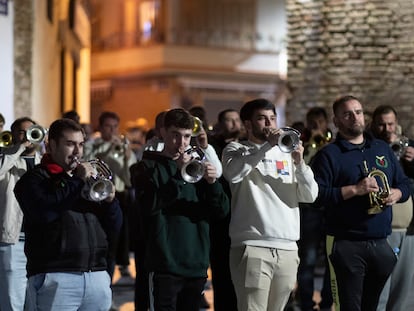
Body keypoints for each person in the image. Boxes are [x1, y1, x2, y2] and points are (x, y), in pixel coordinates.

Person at [311, 95, 412, 311]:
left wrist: (396, 193)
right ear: (336, 121)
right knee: (348, 307)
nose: (354, 117)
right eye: (347, 114)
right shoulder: (328, 155)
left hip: (380, 241)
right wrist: (355, 190)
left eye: (358, 112)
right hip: (346, 242)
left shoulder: (382, 149)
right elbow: (316, 197)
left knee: (372, 307)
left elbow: (404, 183)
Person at [13, 118, 122, 311]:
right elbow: (45, 212)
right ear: (51, 145)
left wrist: (111, 202)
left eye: (80, 144)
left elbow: (114, 227)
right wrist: (76, 181)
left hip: (96, 275)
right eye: (70, 144)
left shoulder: (87, 181)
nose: (78, 152)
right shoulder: (33, 180)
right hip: (55, 276)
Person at [221, 98, 319, 311]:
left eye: (272, 119)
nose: (269, 125)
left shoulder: (287, 152)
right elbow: (233, 174)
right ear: (247, 124)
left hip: (288, 248)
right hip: (252, 245)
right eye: (262, 119)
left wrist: (300, 163)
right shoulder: (235, 149)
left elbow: (310, 195)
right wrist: (267, 146)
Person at [130, 108, 229, 311]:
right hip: (163, 265)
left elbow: (221, 211)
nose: (182, 143)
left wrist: (212, 183)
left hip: (196, 264)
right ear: (163, 132)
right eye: (175, 135)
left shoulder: (197, 165)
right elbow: (149, 206)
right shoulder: (146, 167)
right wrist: (177, 173)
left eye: (186, 136)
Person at [369, 105, 414, 311]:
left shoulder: (408, 146)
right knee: (379, 289)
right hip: (381, 228)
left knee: (404, 290)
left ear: (397, 125)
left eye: (391, 124)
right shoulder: (369, 147)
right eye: (381, 124)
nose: (387, 129)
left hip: (409, 229)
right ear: (373, 125)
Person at [84, 111, 137, 282]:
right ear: (100, 127)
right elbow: (87, 165)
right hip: (97, 197)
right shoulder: (92, 145)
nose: (112, 130)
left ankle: (110, 281)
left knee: (116, 243)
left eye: (115, 126)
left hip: (119, 197)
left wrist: (128, 157)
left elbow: (129, 179)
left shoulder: (123, 147)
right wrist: (105, 153)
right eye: (108, 126)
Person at [0, 117, 42, 311]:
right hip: (13, 240)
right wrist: (18, 149)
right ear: (13, 135)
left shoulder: (45, 160)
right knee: (12, 298)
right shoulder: (6, 158)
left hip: (40, 240)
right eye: (21, 132)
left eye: (31, 131)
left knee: (35, 300)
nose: (27, 136)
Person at [296, 107, 333, 311]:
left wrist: (323, 142)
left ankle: (327, 302)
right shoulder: (303, 145)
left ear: (327, 123)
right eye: (312, 122)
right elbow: (302, 169)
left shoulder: (333, 144)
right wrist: (311, 145)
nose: (315, 125)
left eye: (319, 121)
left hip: (328, 209)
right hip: (309, 210)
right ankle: (306, 303)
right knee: (307, 259)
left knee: (330, 259)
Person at [208, 108, 242, 311]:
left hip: (242, 215)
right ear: (220, 125)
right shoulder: (214, 147)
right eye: (229, 120)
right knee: (221, 273)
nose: (234, 124)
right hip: (221, 219)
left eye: (237, 120)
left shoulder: (247, 147)